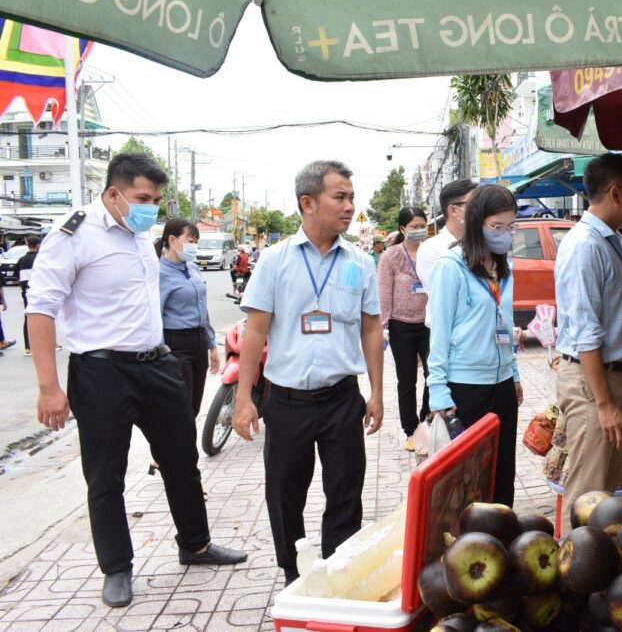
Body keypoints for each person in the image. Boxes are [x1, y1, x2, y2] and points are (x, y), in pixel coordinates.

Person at [26, 153, 246, 609]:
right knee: (105, 475)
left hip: (157, 364)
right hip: (101, 372)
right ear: (113, 193)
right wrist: (49, 387)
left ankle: (196, 545)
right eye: (142, 198)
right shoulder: (75, 233)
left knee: (182, 460)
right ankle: (117, 568)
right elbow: (40, 309)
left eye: (156, 200)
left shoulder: (138, 234)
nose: (150, 207)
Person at [232, 160, 384, 585]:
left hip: (341, 398)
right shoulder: (275, 261)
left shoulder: (360, 261)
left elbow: (371, 326)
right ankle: (292, 574)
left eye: (352, 197)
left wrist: (376, 392)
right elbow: (256, 329)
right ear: (307, 202)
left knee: (345, 492)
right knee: (284, 492)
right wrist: (244, 398)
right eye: (340, 197)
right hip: (286, 401)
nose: (350, 206)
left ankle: (339, 573)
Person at [553, 153, 622, 528]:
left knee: (604, 495)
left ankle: (593, 573)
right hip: (594, 384)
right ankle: (572, 570)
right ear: (616, 192)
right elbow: (586, 333)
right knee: (588, 497)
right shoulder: (586, 247)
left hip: (609, 378)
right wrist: (605, 403)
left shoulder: (608, 241)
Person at [427, 184, 523, 507]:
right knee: (470, 479)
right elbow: (438, 334)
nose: (505, 234)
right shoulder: (450, 267)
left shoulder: (503, 269)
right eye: (497, 227)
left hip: (502, 387)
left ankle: (501, 539)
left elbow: (505, 326)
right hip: (466, 389)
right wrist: (437, 391)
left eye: (511, 226)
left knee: (503, 473)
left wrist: (515, 373)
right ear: (476, 222)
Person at [378, 206, 431, 451]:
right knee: (406, 380)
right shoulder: (391, 256)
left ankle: (428, 421)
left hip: (431, 323)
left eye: (423, 226)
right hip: (402, 326)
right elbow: (384, 293)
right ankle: (410, 429)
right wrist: (383, 326)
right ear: (403, 229)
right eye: (414, 227)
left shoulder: (432, 253)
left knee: (435, 376)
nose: (420, 231)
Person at [157, 219, 221, 420]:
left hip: (199, 341)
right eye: (190, 240)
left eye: (196, 242)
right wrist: (160, 355)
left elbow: (203, 308)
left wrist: (212, 345)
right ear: (173, 240)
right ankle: (181, 450)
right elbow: (154, 316)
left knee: (194, 406)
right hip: (175, 344)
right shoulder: (159, 273)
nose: (194, 246)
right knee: (180, 407)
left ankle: (186, 447)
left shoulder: (193, 268)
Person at [417, 178, 477, 327]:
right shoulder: (431, 249)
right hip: (451, 332)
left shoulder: (482, 243)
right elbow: (445, 298)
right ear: (454, 210)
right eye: (474, 204)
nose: (480, 209)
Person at [16, 235, 40, 354]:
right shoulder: (41, 258)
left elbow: (18, 278)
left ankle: (28, 347)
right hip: (41, 292)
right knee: (45, 318)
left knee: (28, 318)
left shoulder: (21, 260)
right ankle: (51, 345)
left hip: (26, 293)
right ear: (38, 246)